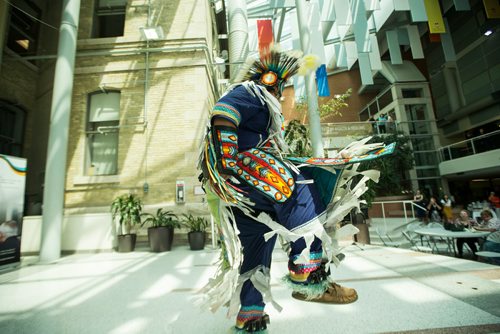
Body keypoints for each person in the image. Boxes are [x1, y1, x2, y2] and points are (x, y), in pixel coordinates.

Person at [197, 46, 394, 333]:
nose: (281, 93)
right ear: (271, 80)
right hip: (242, 168)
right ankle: (309, 276)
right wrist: (226, 161)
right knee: (301, 184)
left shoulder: (259, 102)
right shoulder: (252, 92)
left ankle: (250, 316)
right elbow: (223, 113)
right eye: (281, 86)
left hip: (240, 191)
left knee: (256, 247)